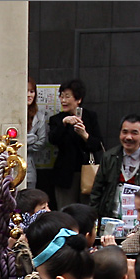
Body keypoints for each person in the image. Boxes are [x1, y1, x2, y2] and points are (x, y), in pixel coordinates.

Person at [89, 114, 140, 220]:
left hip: (138, 218)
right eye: (125, 132)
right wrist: (94, 217)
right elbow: (97, 190)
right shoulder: (109, 156)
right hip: (110, 216)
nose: (128, 137)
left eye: (134, 133)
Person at [47, 79, 103, 207]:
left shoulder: (90, 117)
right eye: (61, 96)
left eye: (67, 96)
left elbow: (98, 144)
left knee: (87, 209)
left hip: (87, 169)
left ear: (78, 99)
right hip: (65, 172)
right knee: (66, 209)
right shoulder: (57, 119)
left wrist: (84, 135)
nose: (63, 100)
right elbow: (53, 140)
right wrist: (64, 123)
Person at [25, 77, 47, 189]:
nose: (29, 95)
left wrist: (23, 143)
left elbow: (42, 142)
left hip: (30, 167)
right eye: (26, 91)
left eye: (32, 91)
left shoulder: (39, 116)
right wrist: (31, 138)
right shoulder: (11, 114)